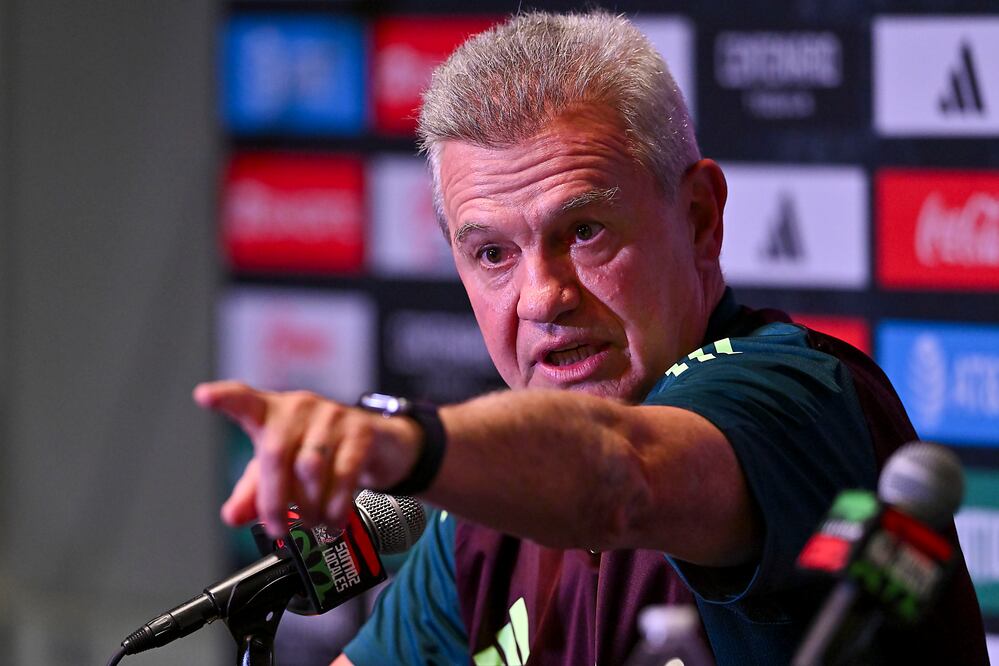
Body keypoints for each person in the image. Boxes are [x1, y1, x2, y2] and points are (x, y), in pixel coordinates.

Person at [194, 11, 988, 665]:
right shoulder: (482, 519)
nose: (542, 296)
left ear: (700, 218)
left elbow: (619, 475)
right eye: (492, 254)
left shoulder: (789, 393)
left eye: (583, 232)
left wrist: (406, 445)